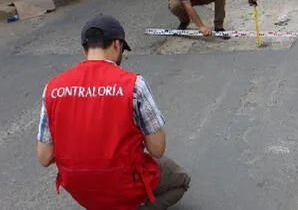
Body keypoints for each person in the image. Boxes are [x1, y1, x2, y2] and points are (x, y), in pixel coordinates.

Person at [36, 14, 191, 210]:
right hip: (124, 183)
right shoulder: (133, 84)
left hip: (80, 189)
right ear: (117, 45)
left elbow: (44, 157)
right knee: (180, 180)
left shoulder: (53, 88)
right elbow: (157, 149)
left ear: (85, 49)